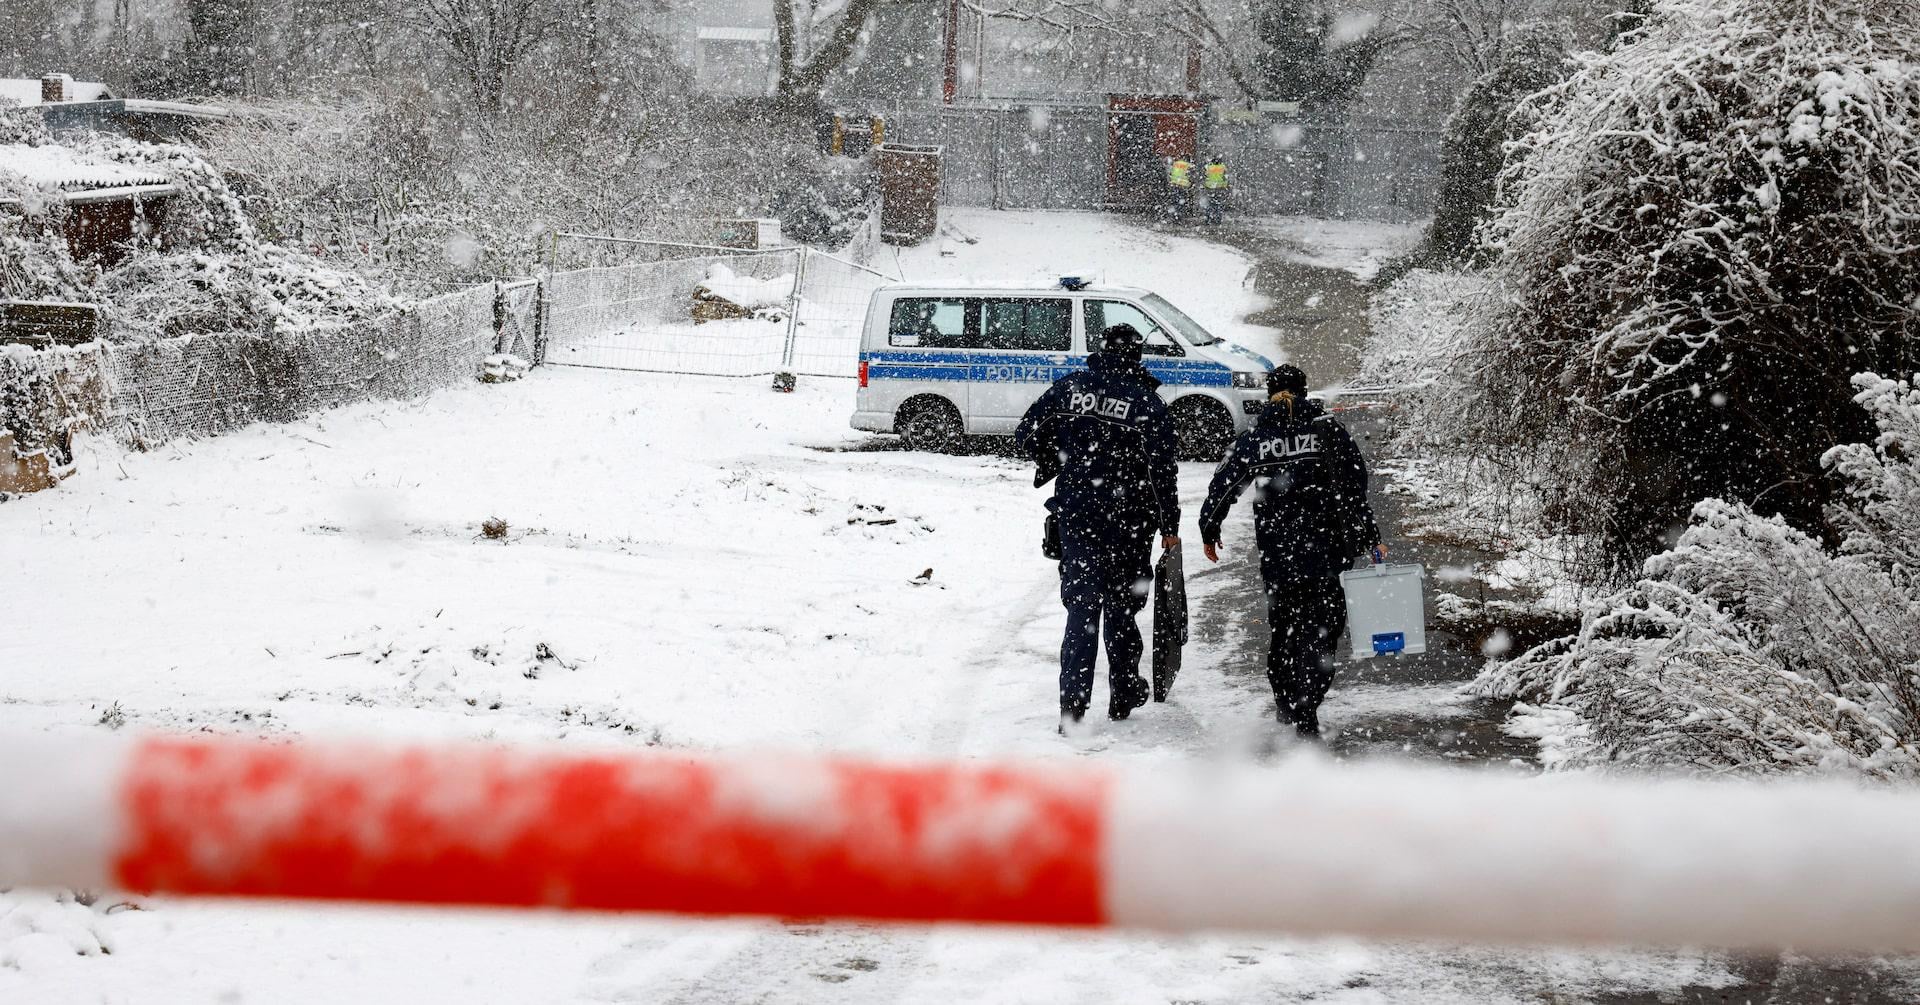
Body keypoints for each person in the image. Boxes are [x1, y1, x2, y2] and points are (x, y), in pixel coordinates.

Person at [1197, 365, 1382, 739]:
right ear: (1304, 391)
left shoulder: (1257, 438)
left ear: (1270, 395)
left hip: (1278, 555)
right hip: (1326, 553)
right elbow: (1354, 486)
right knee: (1322, 630)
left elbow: (1224, 482)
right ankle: (1307, 703)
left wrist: (1209, 528)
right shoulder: (1328, 431)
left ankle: (1285, 699)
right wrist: (1370, 535)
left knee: (1284, 628)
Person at [1016, 324, 1181, 732]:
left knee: (1083, 609)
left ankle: (1072, 707)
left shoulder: (1069, 388)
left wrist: (1059, 459)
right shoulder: (1146, 402)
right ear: (1136, 358)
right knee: (1123, 608)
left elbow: (1025, 434)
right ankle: (1123, 692)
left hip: (1078, 517)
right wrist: (1169, 525)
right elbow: (1163, 470)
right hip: (1130, 521)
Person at [1201, 155, 1230, 226]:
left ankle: (1208, 219)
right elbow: (1226, 178)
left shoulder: (1208, 167)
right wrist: (1225, 186)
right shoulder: (1223, 167)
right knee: (1218, 205)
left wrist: (1204, 186)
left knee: (1209, 204)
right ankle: (1217, 220)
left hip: (1210, 188)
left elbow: (1204, 177)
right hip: (1220, 188)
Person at [1165, 154, 1194, 221]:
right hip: (1183, 186)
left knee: (1175, 201)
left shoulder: (1175, 163)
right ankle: (1179, 216)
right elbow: (1191, 175)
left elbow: (1170, 173)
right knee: (1181, 202)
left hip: (1174, 184)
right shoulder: (1188, 165)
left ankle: (1174, 215)